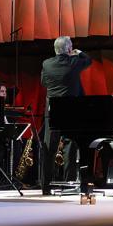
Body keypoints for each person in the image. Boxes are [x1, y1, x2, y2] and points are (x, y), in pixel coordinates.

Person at [40, 36, 91, 195]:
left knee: (49, 149)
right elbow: (88, 60)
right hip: (70, 111)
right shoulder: (74, 62)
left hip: (52, 110)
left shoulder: (46, 64)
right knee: (70, 146)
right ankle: (68, 183)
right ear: (69, 49)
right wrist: (78, 52)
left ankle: (46, 186)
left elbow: (43, 82)